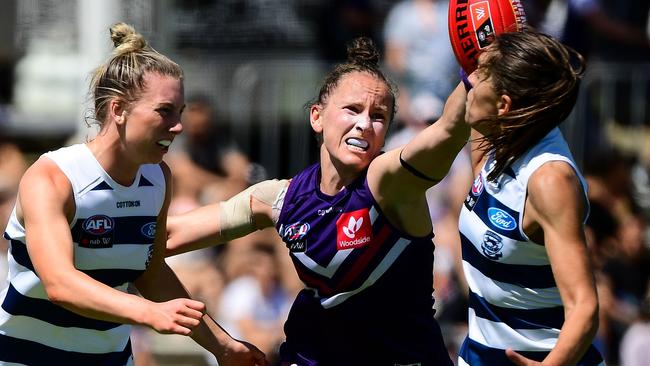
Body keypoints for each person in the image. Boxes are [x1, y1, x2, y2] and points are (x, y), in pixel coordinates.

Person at [167, 36, 469, 365]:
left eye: (378, 116)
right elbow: (169, 235)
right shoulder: (281, 199)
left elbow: (448, 131)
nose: (364, 124)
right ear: (317, 117)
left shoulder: (390, 183)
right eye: (352, 109)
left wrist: (475, 69)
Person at [0, 23, 267, 366]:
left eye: (180, 113)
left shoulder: (157, 178)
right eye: (164, 111)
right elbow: (60, 282)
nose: (178, 126)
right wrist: (147, 312)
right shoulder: (53, 177)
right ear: (118, 110)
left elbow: (151, 272)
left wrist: (222, 345)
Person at [456, 29, 604, 365]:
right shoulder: (501, 140)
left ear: (504, 105)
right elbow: (469, 100)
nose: (469, 79)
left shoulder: (549, 179)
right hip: (478, 354)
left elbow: (584, 307)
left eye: (480, 74)